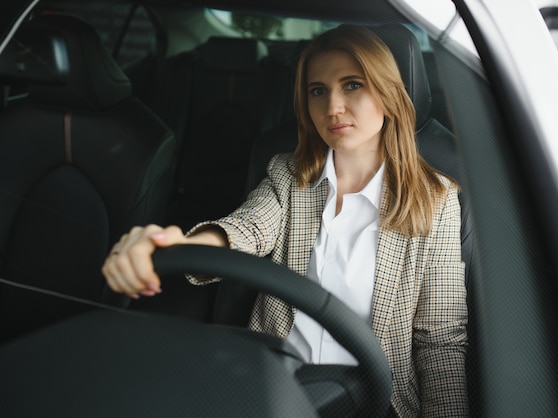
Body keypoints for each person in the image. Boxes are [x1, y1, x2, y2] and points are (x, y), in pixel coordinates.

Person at [102, 24, 468, 417]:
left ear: (389, 93)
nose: (333, 108)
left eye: (352, 85)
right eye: (318, 91)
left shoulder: (436, 199)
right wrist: (175, 246)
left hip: (374, 400)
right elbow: (245, 229)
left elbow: (440, 340)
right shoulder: (290, 176)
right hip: (274, 384)